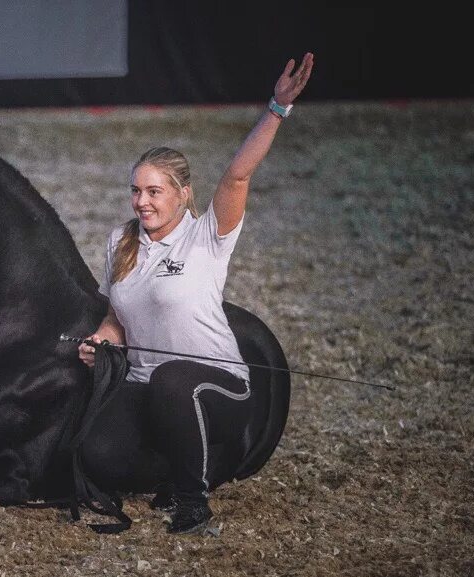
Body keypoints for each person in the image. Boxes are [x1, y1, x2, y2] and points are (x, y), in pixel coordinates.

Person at [78, 52, 314, 534]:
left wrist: (277, 107)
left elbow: (239, 174)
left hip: (218, 388)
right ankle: (177, 466)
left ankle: (192, 505)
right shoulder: (120, 243)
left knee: (172, 381)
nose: (141, 201)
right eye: (136, 191)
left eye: (154, 191)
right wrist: (100, 342)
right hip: (145, 388)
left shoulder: (207, 234)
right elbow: (118, 318)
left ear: (183, 193)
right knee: (96, 452)